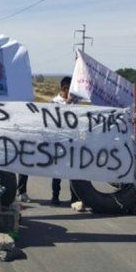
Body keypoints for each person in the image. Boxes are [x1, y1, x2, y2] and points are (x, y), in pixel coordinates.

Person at [50, 76, 80, 206]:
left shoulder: (75, 103)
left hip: (72, 142)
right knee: (57, 171)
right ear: (65, 89)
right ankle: (55, 196)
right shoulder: (54, 102)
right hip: (58, 142)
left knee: (72, 171)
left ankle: (74, 197)